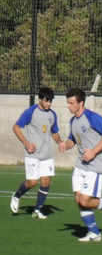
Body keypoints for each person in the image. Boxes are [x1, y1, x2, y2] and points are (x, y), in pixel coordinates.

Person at [58, 88, 102, 242]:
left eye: (71, 103)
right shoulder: (73, 120)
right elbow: (72, 140)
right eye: (67, 103)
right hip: (80, 165)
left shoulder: (93, 117)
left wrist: (93, 151)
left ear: (81, 103)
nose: (68, 106)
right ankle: (94, 233)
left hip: (94, 166)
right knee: (79, 199)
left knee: (85, 201)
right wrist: (64, 145)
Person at [10, 87, 63, 219]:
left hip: (47, 155)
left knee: (45, 182)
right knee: (32, 182)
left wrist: (60, 142)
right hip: (33, 154)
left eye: (50, 101)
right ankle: (16, 196)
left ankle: (37, 210)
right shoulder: (31, 112)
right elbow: (16, 127)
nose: (49, 104)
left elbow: (54, 132)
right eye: (46, 101)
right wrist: (26, 144)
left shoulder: (52, 114)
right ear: (40, 99)